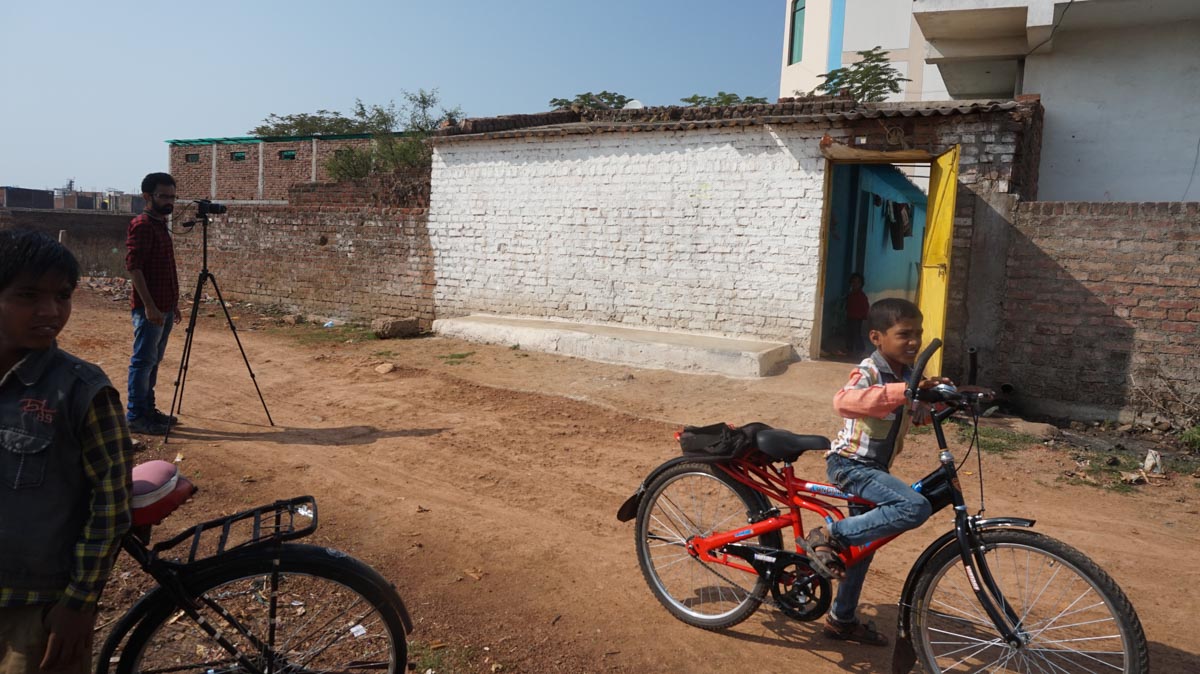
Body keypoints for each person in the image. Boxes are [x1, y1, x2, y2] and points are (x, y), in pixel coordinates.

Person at [0, 229, 134, 674]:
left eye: (62, 296)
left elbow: (111, 506)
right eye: (28, 295)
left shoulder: (82, 391)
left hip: (35, 608)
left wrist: (79, 603)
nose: (51, 311)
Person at [800, 298, 948, 646]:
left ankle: (841, 619)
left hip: (874, 469)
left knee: (863, 549)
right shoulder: (869, 370)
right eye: (904, 334)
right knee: (914, 506)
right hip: (850, 465)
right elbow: (843, 401)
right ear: (877, 337)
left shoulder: (909, 375)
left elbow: (917, 414)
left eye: (918, 334)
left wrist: (943, 398)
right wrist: (904, 391)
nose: (914, 341)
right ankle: (829, 536)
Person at [125, 172, 181, 434]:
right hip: (150, 309)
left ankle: (148, 410)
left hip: (165, 306)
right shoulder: (142, 225)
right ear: (147, 196)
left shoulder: (161, 223)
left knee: (153, 361)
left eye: (172, 197)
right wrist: (149, 306)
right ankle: (136, 415)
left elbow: (166, 269)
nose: (169, 201)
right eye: (163, 196)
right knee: (143, 361)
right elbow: (134, 268)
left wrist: (173, 304)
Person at [845, 273, 869, 358]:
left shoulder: (861, 296)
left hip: (857, 318)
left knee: (856, 334)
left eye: (858, 282)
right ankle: (850, 349)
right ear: (851, 283)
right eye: (853, 282)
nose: (855, 284)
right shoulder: (850, 295)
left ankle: (861, 349)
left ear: (861, 284)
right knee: (849, 333)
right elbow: (848, 305)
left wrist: (864, 316)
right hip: (850, 316)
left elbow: (865, 307)